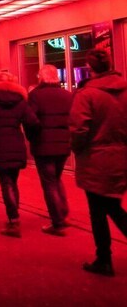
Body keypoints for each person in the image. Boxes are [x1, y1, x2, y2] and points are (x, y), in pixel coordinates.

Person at [69, 49, 127, 277]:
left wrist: (77, 149)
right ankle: (103, 258)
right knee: (110, 204)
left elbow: (79, 129)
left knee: (100, 210)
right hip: (121, 156)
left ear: (90, 68)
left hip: (96, 158)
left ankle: (104, 259)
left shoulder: (87, 94)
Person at [0, 70, 39, 238]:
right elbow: (32, 121)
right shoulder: (20, 100)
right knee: (13, 180)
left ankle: (13, 219)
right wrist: (29, 136)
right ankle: (14, 214)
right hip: (15, 142)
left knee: (6, 182)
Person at [27, 64, 73, 236]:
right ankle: (63, 212)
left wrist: (33, 138)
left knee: (49, 183)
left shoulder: (36, 95)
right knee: (56, 178)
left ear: (41, 77)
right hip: (63, 144)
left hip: (43, 145)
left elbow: (30, 120)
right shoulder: (67, 95)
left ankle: (57, 222)